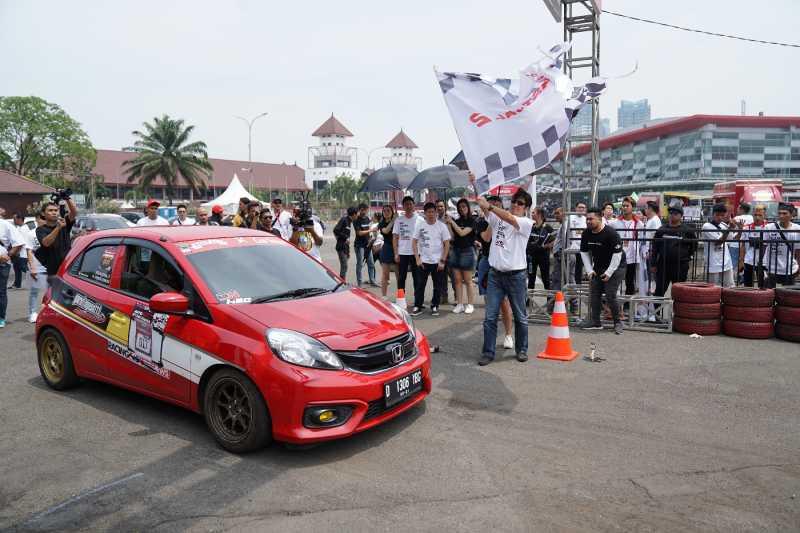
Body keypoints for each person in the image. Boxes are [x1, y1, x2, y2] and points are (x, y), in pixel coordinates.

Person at [476, 188, 534, 365]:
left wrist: (491, 207)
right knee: (490, 316)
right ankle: (488, 352)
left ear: (526, 208)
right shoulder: (498, 218)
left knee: (520, 316)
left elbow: (508, 217)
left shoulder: (525, 222)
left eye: (520, 203)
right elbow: (484, 207)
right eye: (514, 202)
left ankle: (522, 349)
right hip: (495, 274)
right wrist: (476, 186)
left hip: (516, 276)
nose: (516, 205)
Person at [579, 207, 626, 334]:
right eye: (587, 219)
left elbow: (617, 255)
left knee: (610, 293)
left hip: (617, 266)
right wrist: (589, 270)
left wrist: (609, 273)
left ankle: (618, 322)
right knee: (594, 292)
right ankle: (596, 322)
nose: (588, 221)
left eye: (591, 219)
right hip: (599, 266)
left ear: (600, 219)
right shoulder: (586, 233)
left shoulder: (611, 234)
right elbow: (583, 252)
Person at [476, 195, 515, 348]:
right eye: (489, 204)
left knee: (504, 302)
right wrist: (493, 221)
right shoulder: (480, 221)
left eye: (496, 204)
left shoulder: (508, 219)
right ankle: (490, 330)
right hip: (487, 261)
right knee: (488, 299)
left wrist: (498, 218)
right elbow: (486, 238)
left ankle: (508, 335)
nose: (491, 206)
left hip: (503, 262)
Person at [651, 202, 696, 304]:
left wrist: (687, 256)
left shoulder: (687, 230)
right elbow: (655, 247)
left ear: (681, 215)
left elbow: (694, 245)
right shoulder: (661, 230)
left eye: (675, 213)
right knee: (659, 291)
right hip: (663, 265)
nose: (672, 215)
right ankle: (656, 316)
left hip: (680, 265)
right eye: (670, 213)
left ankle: (677, 315)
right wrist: (653, 263)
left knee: (679, 292)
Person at [411, 202, 450, 317]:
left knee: (437, 286)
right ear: (425, 213)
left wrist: (442, 261)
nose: (431, 214)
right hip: (423, 261)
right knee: (420, 285)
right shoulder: (420, 226)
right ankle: (418, 305)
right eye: (428, 212)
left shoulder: (441, 226)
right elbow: (414, 242)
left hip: (437, 262)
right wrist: (417, 258)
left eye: (433, 212)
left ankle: (434, 306)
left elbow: (447, 244)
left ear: (436, 212)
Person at [35, 195, 78, 285]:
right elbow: (46, 243)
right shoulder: (41, 229)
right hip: (53, 272)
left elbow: (74, 212)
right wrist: (58, 228)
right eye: (50, 210)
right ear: (43, 214)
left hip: (69, 268)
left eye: (56, 210)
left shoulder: (64, 223)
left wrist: (67, 198)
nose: (54, 212)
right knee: (54, 296)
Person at [445, 198, 477, 314]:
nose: (462, 209)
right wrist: (449, 224)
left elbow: (462, 233)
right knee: (457, 280)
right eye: (460, 207)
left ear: (468, 207)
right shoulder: (457, 221)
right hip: (456, 251)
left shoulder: (472, 220)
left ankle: (470, 304)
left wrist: (452, 222)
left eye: (464, 206)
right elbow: (453, 236)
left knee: (468, 280)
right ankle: (460, 303)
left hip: (467, 251)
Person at [611, 196, 642, 302]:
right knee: (616, 281)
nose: (624, 208)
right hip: (618, 256)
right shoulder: (615, 222)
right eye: (623, 206)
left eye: (627, 206)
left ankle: (628, 305)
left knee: (630, 282)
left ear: (632, 207)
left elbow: (642, 240)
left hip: (632, 257)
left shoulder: (638, 223)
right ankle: (615, 305)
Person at [702, 203, 740, 287]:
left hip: (726, 261)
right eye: (717, 215)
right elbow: (718, 242)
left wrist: (739, 229)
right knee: (713, 288)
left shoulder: (723, 225)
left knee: (730, 286)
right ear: (713, 214)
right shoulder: (707, 226)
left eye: (722, 215)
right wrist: (729, 229)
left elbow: (734, 238)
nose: (720, 217)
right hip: (713, 262)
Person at [762, 203, 800, 287]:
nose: (781, 216)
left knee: (788, 295)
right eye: (779, 213)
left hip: (789, 268)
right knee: (769, 295)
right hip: (771, 268)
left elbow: (798, 250)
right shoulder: (769, 227)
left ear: (791, 214)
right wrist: (762, 263)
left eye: (784, 213)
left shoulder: (797, 229)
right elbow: (764, 246)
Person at [638, 200, 662, 320]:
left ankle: (651, 312)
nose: (645, 210)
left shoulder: (655, 221)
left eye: (646, 208)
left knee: (650, 284)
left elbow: (655, 239)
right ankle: (646, 311)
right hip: (646, 253)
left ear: (650, 209)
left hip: (650, 254)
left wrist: (651, 252)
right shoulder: (651, 220)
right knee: (646, 283)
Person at [1, 213, 26, 328]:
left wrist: (9, 256)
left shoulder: (5, 225)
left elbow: (19, 242)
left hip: (2, 264)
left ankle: (1, 317)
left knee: (0, 291)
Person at [25, 212, 48, 323]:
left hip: (50, 266)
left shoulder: (50, 231)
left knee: (50, 291)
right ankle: (33, 313)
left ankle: (47, 312)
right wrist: (32, 267)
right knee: (34, 291)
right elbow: (29, 250)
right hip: (36, 266)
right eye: (42, 218)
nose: (44, 220)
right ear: (37, 219)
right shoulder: (31, 233)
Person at [526, 207, 554, 290]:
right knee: (531, 280)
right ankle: (529, 302)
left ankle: (549, 301)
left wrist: (547, 246)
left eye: (533, 213)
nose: (532, 214)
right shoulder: (531, 226)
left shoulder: (547, 228)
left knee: (546, 279)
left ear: (539, 215)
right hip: (531, 257)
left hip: (543, 257)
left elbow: (554, 241)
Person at [740, 205, 767, 288]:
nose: (757, 217)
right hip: (749, 260)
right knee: (747, 285)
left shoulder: (769, 227)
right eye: (755, 215)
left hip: (764, 261)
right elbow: (743, 245)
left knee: (763, 286)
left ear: (764, 215)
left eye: (760, 215)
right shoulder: (746, 227)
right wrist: (741, 260)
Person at [353, 203, 377, 287]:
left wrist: (370, 238)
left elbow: (369, 229)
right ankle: (359, 283)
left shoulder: (367, 219)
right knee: (360, 264)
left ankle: (372, 281)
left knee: (371, 264)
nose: (367, 211)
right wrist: (370, 230)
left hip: (367, 245)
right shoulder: (356, 220)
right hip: (359, 246)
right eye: (365, 209)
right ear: (361, 209)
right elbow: (359, 233)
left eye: (367, 209)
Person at [730, 202, 753, 283]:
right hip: (746, 244)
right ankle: (742, 276)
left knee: (733, 263)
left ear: (742, 209)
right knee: (744, 261)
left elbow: (730, 226)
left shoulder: (736, 218)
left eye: (738, 208)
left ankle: (731, 280)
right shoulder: (751, 218)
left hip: (735, 243)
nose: (737, 209)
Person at [377, 204, 396, 299]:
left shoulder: (397, 222)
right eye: (384, 211)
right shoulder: (381, 223)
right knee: (385, 274)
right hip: (387, 248)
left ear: (392, 211)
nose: (386, 212)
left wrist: (396, 220)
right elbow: (386, 231)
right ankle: (384, 296)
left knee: (399, 274)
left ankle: (400, 295)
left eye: (388, 210)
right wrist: (393, 220)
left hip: (397, 248)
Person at [333, 207, 358, 279]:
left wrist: (348, 251)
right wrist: (345, 237)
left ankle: (342, 281)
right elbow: (336, 230)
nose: (357, 216)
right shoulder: (344, 220)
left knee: (345, 266)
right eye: (356, 215)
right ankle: (342, 282)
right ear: (353, 214)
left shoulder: (349, 222)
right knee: (344, 265)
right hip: (341, 247)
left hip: (345, 247)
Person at [10, 213, 29, 289]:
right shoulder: (19, 228)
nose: (13, 220)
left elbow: (21, 242)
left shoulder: (24, 229)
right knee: (16, 268)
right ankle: (17, 284)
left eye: (14, 219)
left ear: (19, 219)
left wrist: (17, 252)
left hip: (21, 253)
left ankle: (36, 279)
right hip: (17, 252)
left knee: (23, 268)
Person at [569, 201, 587, 281]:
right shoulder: (570, 218)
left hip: (582, 246)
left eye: (583, 208)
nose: (581, 209)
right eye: (580, 207)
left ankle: (578, 286)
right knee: (571, 267)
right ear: (576, 208)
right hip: (571, 246)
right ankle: (571, 284)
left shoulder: (586, 219)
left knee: (579, 267)